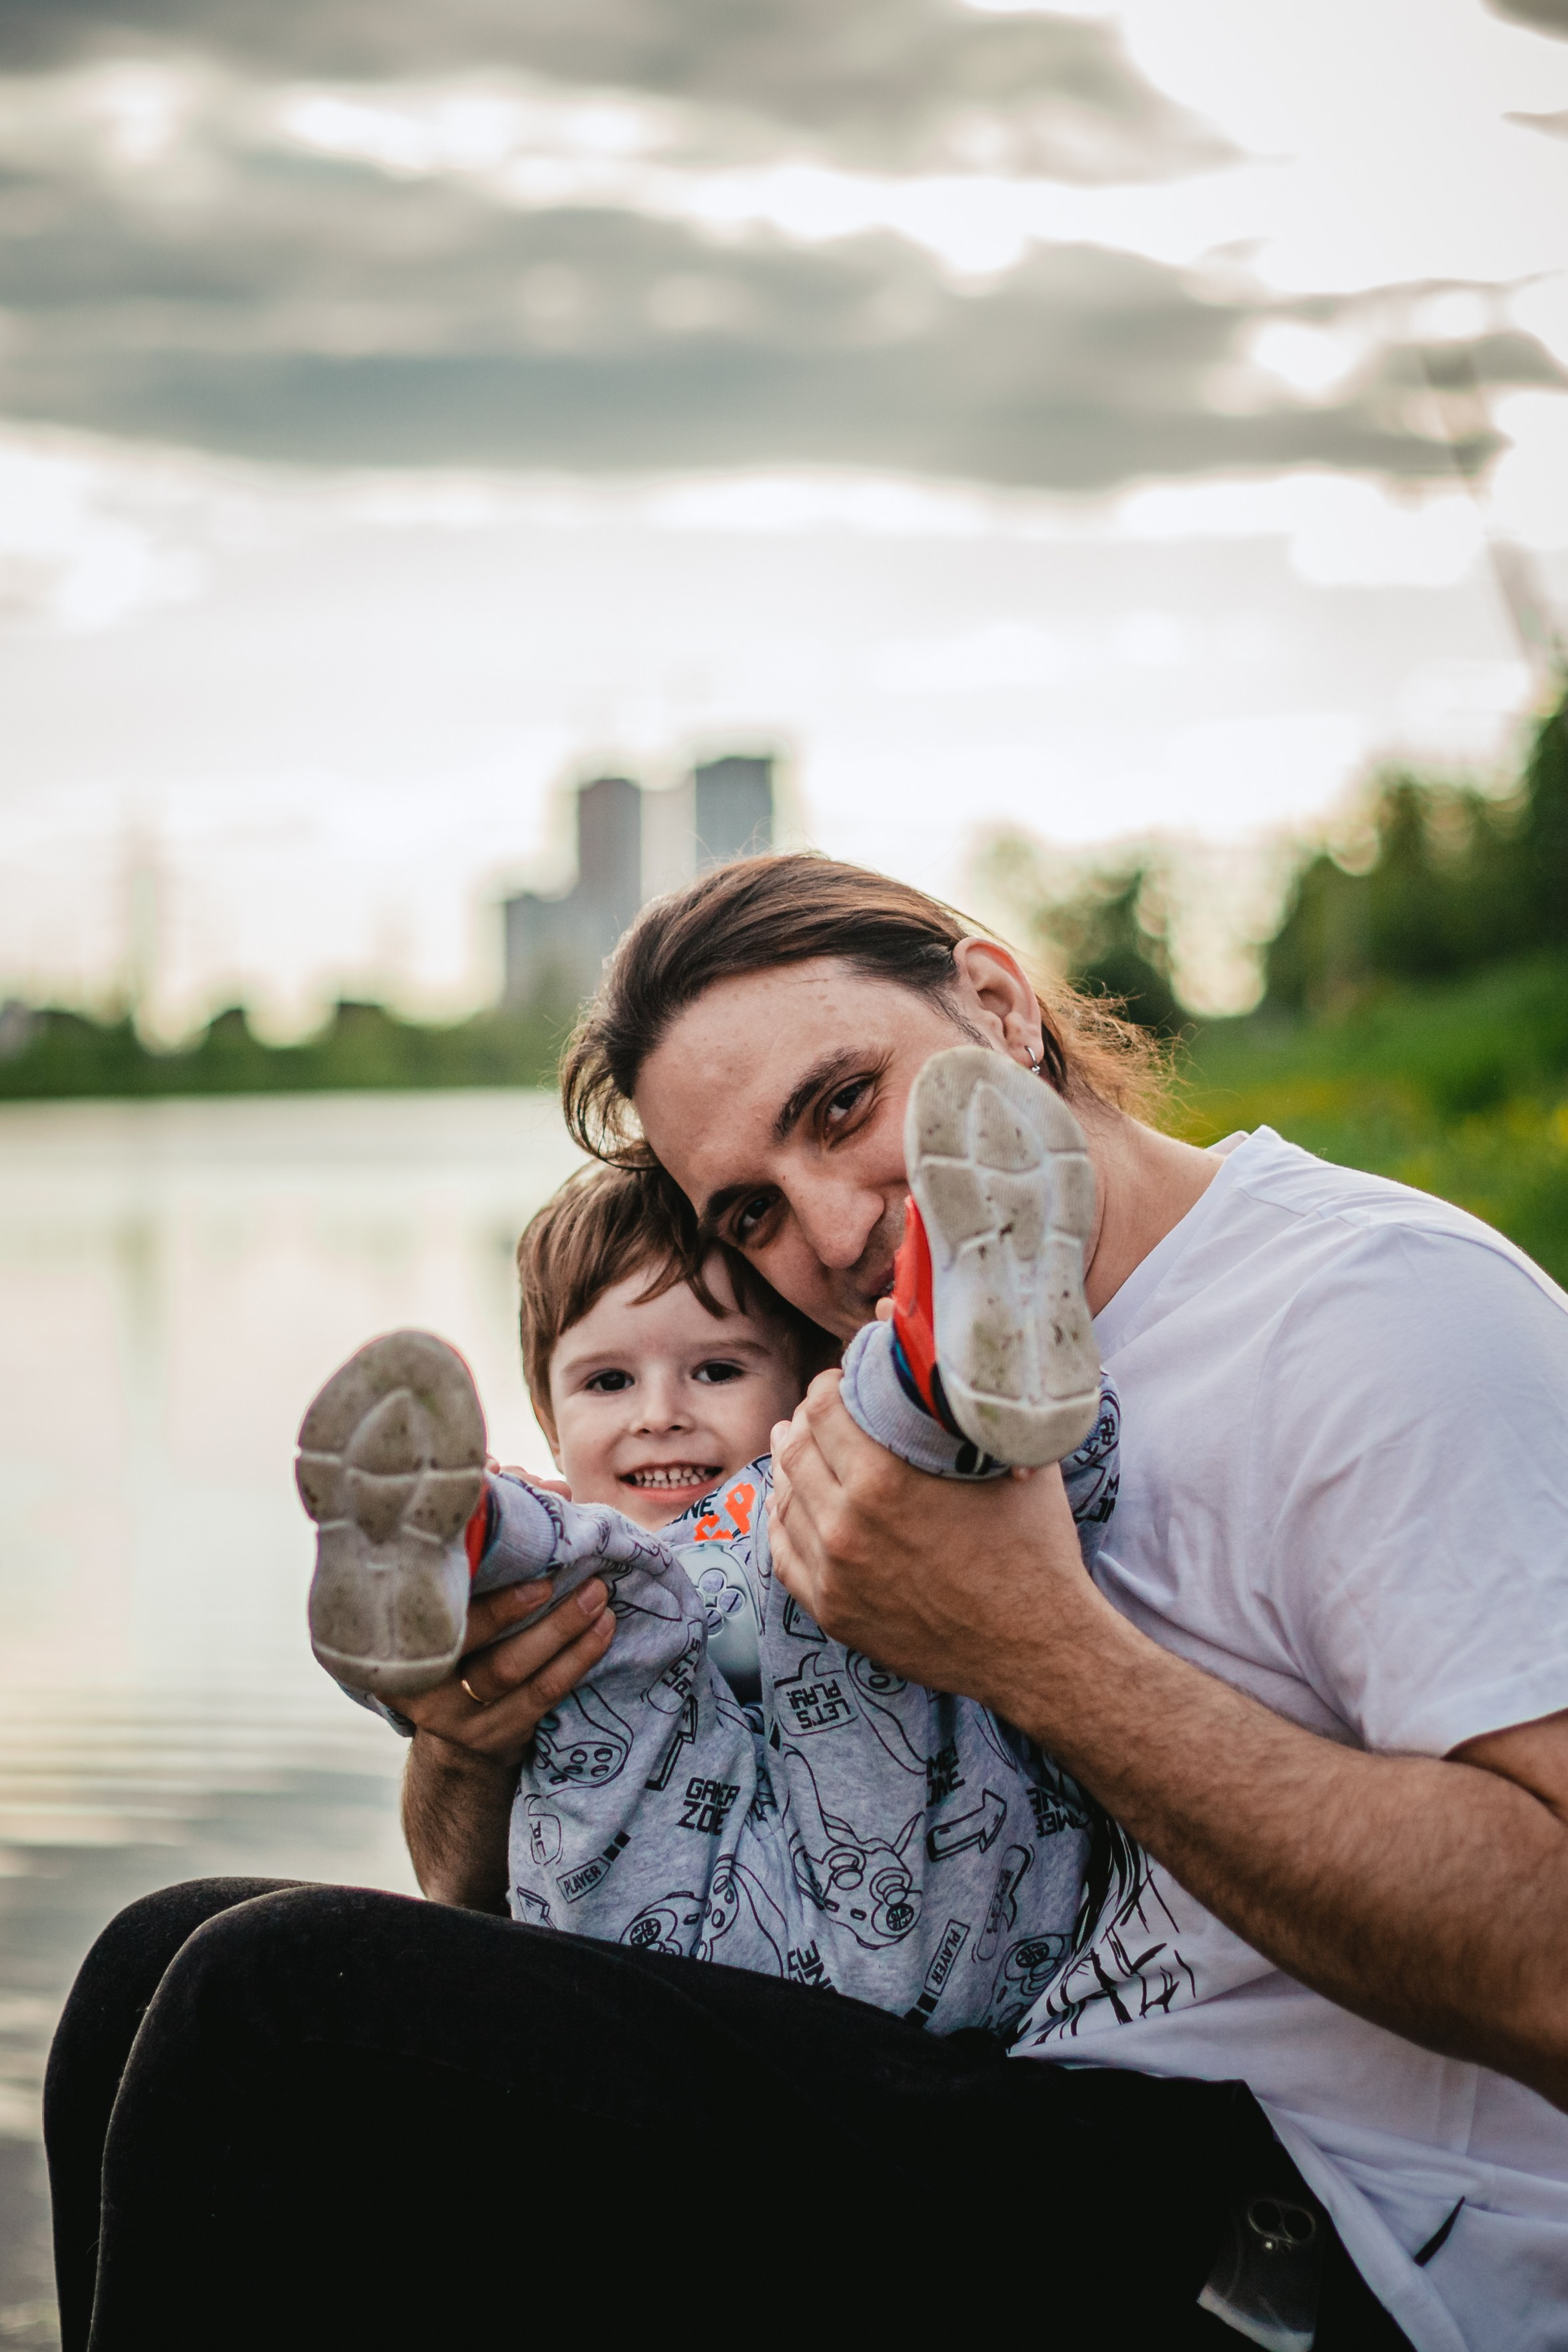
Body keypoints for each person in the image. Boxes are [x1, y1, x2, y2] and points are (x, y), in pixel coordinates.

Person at [296, 1047, 1120, 2030]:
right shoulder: (592, 1563)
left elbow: (1078, 1491)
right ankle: (442, 1534)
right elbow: (454, 1849)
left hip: (955, 1924)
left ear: (797, 1370)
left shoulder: (805, 1485)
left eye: (717, 1371)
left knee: (847, 1494)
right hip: (678, 1958)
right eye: (607, 1383)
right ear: (548, 1414)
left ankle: (945, 1353)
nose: (660, 1415)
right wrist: (469, 1640)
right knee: (586, 1584)